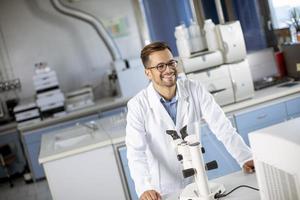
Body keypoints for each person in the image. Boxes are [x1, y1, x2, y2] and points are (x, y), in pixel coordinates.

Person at [125, 41, 254, 200]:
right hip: (163, 191)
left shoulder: (194, 89)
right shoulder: (138, 105)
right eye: (160, 66)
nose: (168, 69)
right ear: (148, 73)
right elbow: (135, 152)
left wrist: (245, 157)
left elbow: (222, 126)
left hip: (197, 183)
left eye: (171, 63)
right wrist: (145, 187)